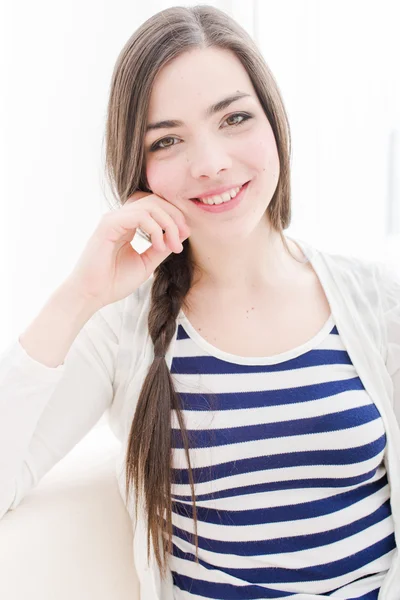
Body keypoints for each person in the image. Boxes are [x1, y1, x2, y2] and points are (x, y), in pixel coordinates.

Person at [0, 4, 399, 599]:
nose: (211, 162)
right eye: (168, 140)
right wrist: (81, 293)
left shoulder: (375, 301)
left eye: (235, 117)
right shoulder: (124, 330)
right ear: (137, 170)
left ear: (274, 123)